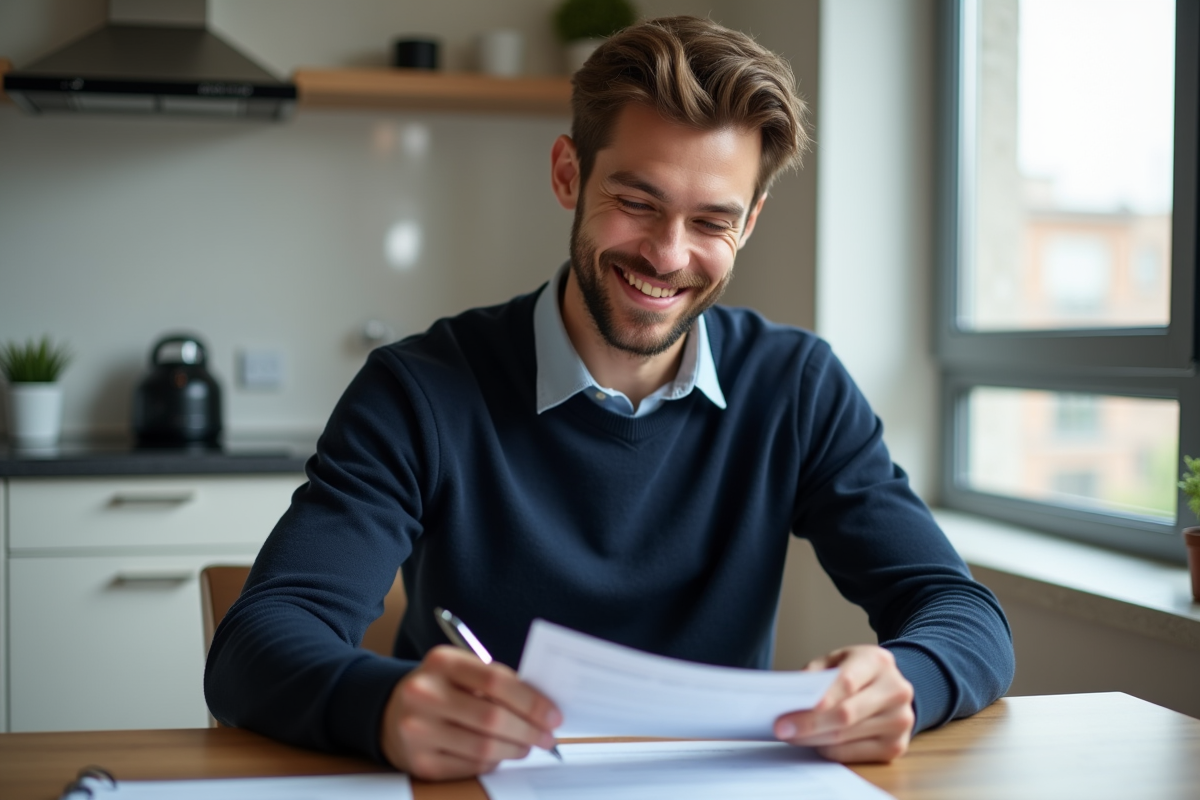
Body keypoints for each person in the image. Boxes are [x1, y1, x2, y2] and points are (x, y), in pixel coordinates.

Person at [205, 15, 1014, 782]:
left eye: (711, 221)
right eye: (637, 202)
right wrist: (382, 706)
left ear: (751, 223)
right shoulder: (419, 390)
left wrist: (905, 680)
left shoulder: (796, 386)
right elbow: (255, 645)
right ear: (568, 174)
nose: (668, 255)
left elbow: (962, 615)